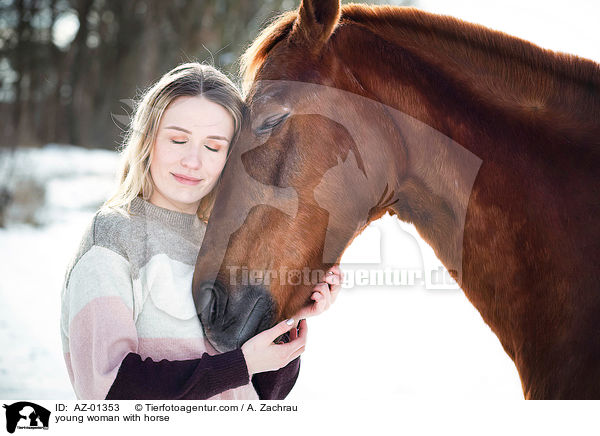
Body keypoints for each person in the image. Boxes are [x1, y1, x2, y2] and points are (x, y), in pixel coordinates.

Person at [59, 63, 343, 400]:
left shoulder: (228, 245)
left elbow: (263, 394)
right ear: (148, 141)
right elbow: (108, 393)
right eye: (178, 139)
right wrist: (240, 365)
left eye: (213, 147)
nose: (192, 161)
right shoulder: (113, 240)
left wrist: (288, 315)